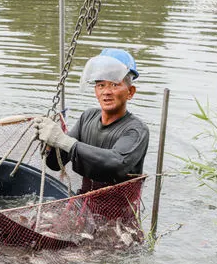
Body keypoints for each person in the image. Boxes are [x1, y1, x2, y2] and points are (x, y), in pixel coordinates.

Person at [34, 48, 149, 219]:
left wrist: (64, 141)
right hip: (84, 204)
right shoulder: (88, 117)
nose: (106, 91)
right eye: (101, 85)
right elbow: (56, 164)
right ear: (95, 90)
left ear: (130, 92)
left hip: (118, 216)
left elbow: (116, 162)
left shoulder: (136, 130)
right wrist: (50, 143)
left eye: (114, 84)